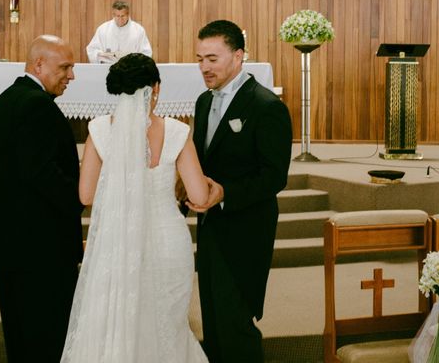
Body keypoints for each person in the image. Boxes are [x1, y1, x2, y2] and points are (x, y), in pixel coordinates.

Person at [61, 53, 212, 363]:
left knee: (118, 323)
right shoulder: (177, 132)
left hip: (117, 244)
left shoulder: (100, 130)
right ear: (155, 87)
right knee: (168, 327)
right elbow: (198, 195)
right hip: (169, 243)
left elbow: (86, 195)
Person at [186, 20, 292, 363]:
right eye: (200, 58)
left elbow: (274, 176)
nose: (204, 67)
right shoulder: (203, 102)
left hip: (246, 229)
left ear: (238, 56)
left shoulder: (266, 106)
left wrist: (225, 193)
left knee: (236, 320)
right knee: (214, 319)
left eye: (212, 59)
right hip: (211, 228)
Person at [0, 35, 83, 362]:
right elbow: (42, 174)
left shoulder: (6, 99)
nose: (71, 76)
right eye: (65, 67)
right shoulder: (37, 106)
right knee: (46, 341)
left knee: (20, 342)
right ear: (39, 65)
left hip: (12, 244)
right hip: (41, 250)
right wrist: (82, 196)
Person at [86, 0, 152, 63]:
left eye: (123, 16)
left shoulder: (138, 30)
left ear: (128, 14)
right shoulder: (103, 29)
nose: (120, 19)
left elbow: (146, 53)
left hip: (131, 69)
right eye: (117, 16)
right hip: (108, 68)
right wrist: (102, 55)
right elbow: (92, 50)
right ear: (113, 15)